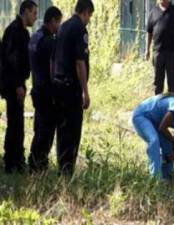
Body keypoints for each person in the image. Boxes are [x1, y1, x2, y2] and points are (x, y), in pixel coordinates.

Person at [53, 0, 94, 175]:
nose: (89, 20)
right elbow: (79, 62)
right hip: (71, 87)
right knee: (73, 128)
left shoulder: (63, 27)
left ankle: (62, 165)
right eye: (89, 16)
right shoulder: (79, 29)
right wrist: (85, 92)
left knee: (62, 128)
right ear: (85, 12)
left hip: (58, 83)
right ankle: (68, 169)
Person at [1, 0, 38, 173]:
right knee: (15, 123)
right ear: (25, 12)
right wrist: (18, 85)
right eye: (34, 13)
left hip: (15, 83)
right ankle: (12, 161)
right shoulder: (16, 32)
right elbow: (12, 61)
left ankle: (16, 159)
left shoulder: (19, 31)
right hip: (13, 84)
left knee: (17, 123)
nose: (35, 17)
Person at [28, 6, 62, 172]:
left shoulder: (35, 36)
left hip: (36, 88)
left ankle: (34, 160)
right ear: (53, 21)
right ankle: (39, 163)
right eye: (59, 22)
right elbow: (52, 68)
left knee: (39, 127)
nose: (60, 26)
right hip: (47, 91)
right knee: (47, 130)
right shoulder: (50, 41)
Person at [146, 0, 174, 95]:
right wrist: (147, 49)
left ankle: (173, 103)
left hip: (171, 52)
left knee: (172, 80)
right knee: (158, 80)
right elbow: (149, 32)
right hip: (158, 52)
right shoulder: (153, 12)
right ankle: (158, 103)